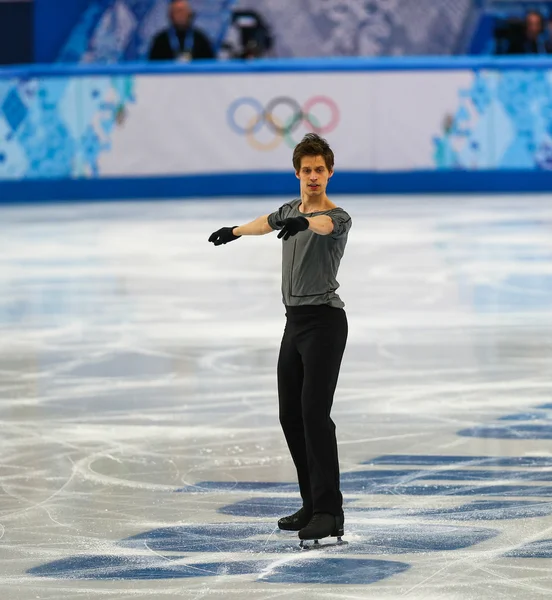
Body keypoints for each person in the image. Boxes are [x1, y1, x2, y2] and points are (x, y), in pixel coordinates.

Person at [208, 134, 352, 543]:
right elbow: (266, 222)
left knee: (313, 415)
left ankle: (330, 511)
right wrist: (235, 231)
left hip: (325, 323)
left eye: (319, 170)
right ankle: (311, 503)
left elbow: (321, 224)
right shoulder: (289, 210)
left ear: (329, 173)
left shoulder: (338, 216)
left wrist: (305, 221)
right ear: (297, 173)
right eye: (306, 170)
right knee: (290, 415)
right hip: (294, 324)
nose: (313, 177)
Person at [149, 0, 214, 61]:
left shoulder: (201, 39)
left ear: (189, 14)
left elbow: (211, 65)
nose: (181, 15)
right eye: (177, 11)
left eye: (183, 11)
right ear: (171, 15)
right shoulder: (160, 41)